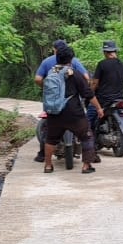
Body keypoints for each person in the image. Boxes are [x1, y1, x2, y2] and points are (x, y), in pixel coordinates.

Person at [43, 44, 102, 174]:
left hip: (54, 112)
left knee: (50, 139)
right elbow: (88, 94)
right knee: (87, 136)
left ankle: (48, 165)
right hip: (74, 113)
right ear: (71, 59)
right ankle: (86, 166)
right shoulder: (75, 74)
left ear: (56, 57)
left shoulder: (51, 73)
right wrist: (98, 108)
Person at [33, 39, 89, 162]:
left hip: (53, 102)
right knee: (84, 130)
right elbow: (86, 77)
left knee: (48, 129)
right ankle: (90, 157)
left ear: (54, 50)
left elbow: (37, 79)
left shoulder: (47, 62)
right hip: (72, 103)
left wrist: (47, 87)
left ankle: (43, 155)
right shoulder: (73, 61)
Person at [90, 40, 123, 155]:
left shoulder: (102, 64)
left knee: (89, 117)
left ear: (105, 52)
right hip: (120, 98)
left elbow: (95, 83)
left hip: (104, 99)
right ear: (115, 51)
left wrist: (90, 93)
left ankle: (89, 145)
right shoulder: (122, 65)